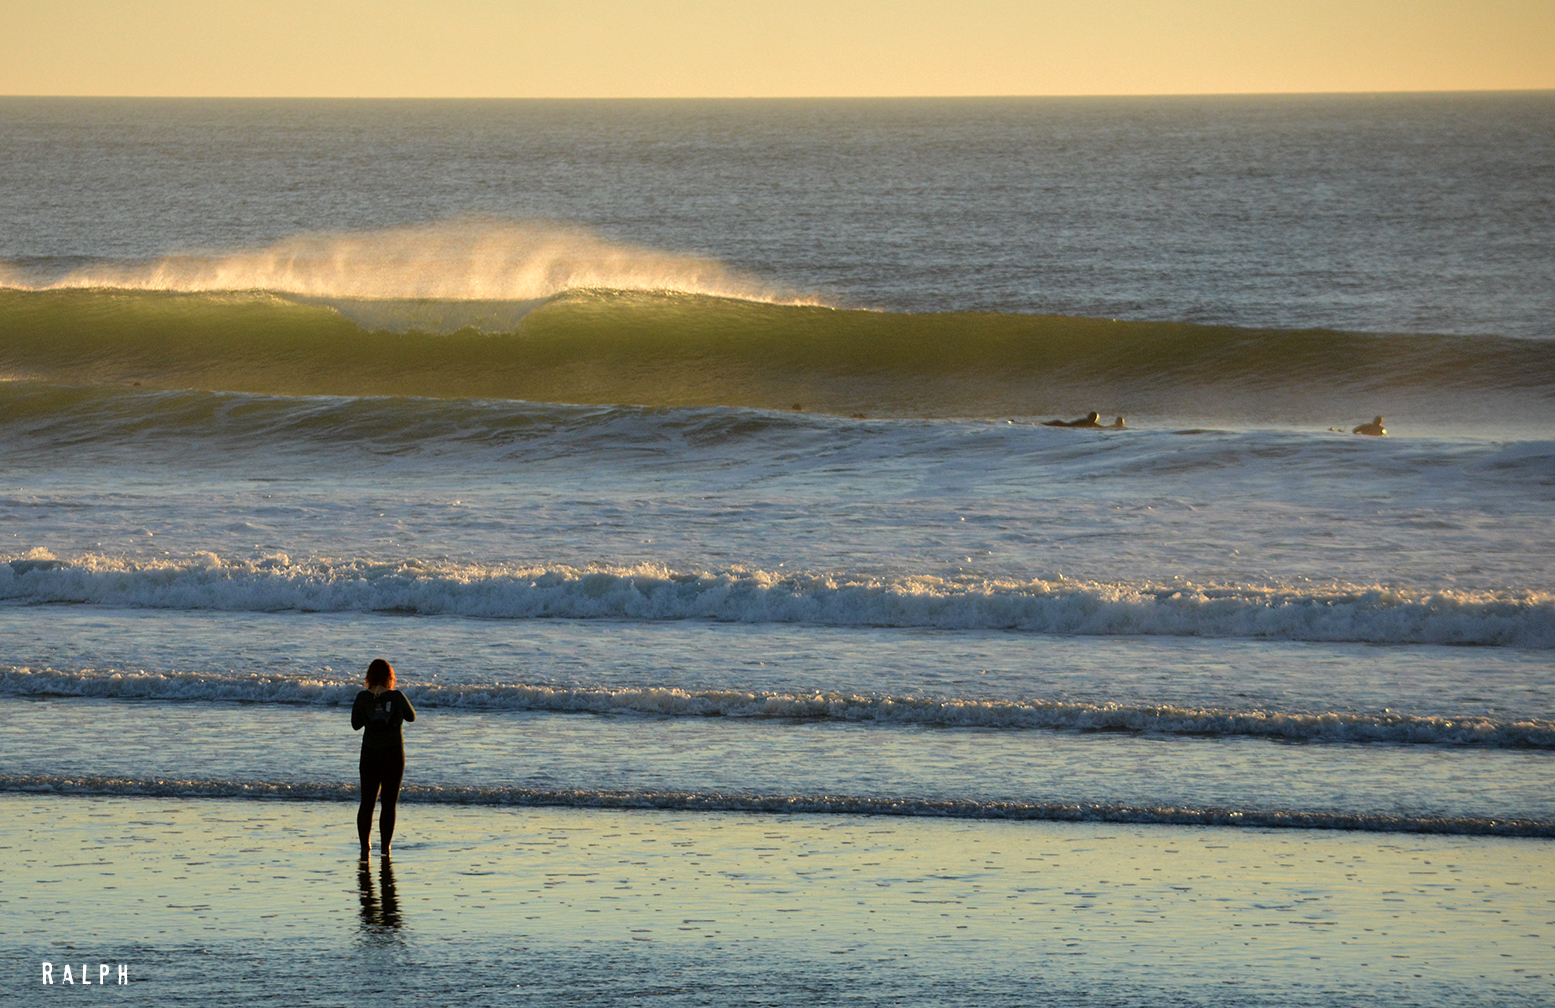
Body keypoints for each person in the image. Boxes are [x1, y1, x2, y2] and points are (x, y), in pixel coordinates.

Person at [352, 658, 416, 857]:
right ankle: (385, 848)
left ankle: (365, 846)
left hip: (369, 753)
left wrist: (370, 712)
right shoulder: (396, 696)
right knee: (388, 804)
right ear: (390, 677)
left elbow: (355, 724)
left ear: (369, 677)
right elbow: (411, 716)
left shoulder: (362, 697)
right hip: (393, 754)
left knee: (367, 802)